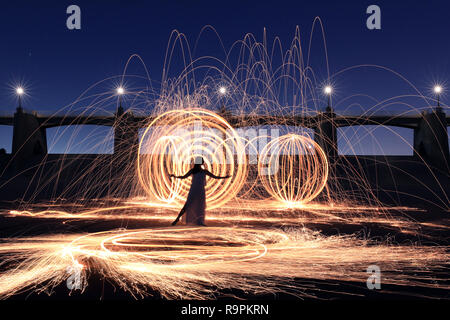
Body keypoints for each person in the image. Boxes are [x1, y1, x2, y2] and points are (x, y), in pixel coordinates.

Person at [169, 157, 230, 226]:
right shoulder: (196, 171)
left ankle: (199, 221)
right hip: (195, 189)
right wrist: (175, 176)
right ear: (200, 163)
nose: (203, 162)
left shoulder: (203, 171)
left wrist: (224, 177)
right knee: (188, 204)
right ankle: (177, 219)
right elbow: (183, 177)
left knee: (200, 206)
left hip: (199, 190)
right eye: (202, 161)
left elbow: (215, 177)